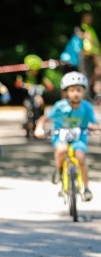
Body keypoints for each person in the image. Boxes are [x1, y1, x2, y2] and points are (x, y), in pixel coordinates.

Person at [34, 71, 98, 201]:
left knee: (80, 157)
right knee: (61, 150)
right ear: (66, 92)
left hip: (80, 136)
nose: (75, 93)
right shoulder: (60, 106)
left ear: (84, 91)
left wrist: (95, 126)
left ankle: (86, 188)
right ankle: (58, 170)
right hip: (60, 135)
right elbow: (44, 119)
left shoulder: (87, 107)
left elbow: (95, 122)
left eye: (79, 90)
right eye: (72, 90)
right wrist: (39, 128)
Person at [14, 54, 54, 132]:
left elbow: (47, 83)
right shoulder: (24, 75)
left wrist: (47, 86)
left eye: (36, 70)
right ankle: (26, 121)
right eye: (33, 70)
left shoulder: (40, 76)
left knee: (41, 102)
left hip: (37, 95)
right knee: (27, 105)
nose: (35, 72)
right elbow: (18, 82)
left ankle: (41, 118)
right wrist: (23, 85)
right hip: (28, 96)